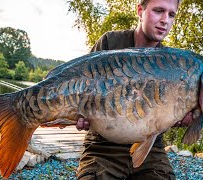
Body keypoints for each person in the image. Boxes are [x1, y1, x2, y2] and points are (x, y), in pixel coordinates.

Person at [76, 0, 180, 179]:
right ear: (140, 11)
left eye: (171, 14)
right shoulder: (110, 43)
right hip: (104, 146)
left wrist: (182, 116)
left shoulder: (172, 63)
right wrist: (79, 112)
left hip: (151, 148)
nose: (165, 20)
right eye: (158, 11)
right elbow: (80, 87)